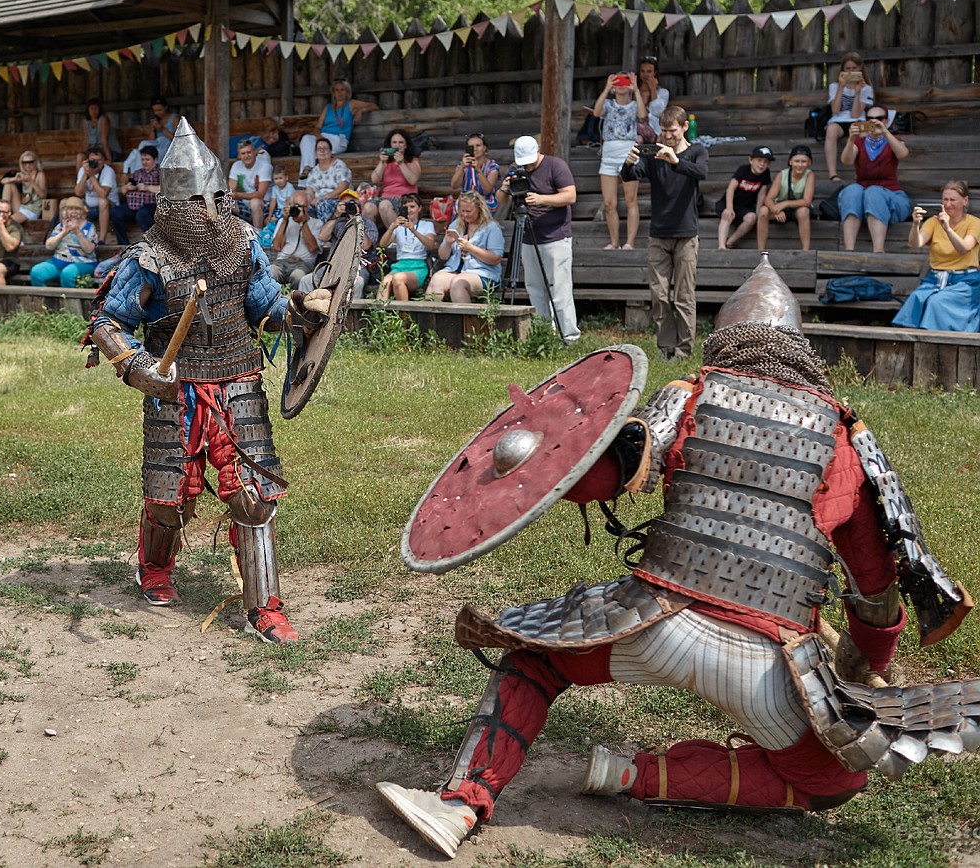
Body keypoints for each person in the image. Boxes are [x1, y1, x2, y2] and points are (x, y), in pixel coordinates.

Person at [377, 257, 977, 859]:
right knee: (834, 781)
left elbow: (607, 472)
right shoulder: (843, 436)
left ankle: (458, 806)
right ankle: (630, 775)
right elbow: (875, 588)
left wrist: (534, 451)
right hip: (770, 671)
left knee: (535, 663)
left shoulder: (690, 394)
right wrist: (865, 662)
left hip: (654, 623)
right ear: (800, 346)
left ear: (727, 336)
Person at [83, 117, 333, 644]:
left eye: (218, 196)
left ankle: (265, 606)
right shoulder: (149, 257)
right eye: (199, 200)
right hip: (177, 388)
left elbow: (263, 307)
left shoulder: (242, 242)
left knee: (253, 496)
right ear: (174, 205)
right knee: (169, 495)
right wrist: (136, 367)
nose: (213, 209)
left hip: (239, 379)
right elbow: (108, 321)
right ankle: (154, 568)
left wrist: (300, 309)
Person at [621, 105, 708, 360]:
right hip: (658, 233)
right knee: (658, 295)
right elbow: (629, 176)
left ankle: (684, 350)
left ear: (683, 128)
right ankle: (666, 348)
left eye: (672, 131)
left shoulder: (697, 151)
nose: (667, 136)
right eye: (664, 131)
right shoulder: (653, 155)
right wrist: (627, 164)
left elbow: (701, 172)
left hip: (686, 234)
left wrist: (676, 161)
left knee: (684, 297)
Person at [495, 135, 580, 344]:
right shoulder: (517, 169)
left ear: (538, 152)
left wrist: (541, 199)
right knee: (534, 287)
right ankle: (544, 333)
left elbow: (570, 196)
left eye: (530, 161)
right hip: (527, 237)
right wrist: (505, 187)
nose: (528, 166)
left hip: (555, 237)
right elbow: (501, 200)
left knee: (559, 289)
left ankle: (569, 337)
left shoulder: (555, 166)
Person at [892, 180, 980, 332]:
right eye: (945, 199)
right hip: (936, 280)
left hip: (965, 283)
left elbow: (964, 248)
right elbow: (916, 243)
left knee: (936, 302)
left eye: (953, 199)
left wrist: (948, 229)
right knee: (915, 299)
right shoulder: (934, 222)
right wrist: (915, 225)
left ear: (965, 201)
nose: (948, 204)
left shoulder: (975, 223)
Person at [839, 106, 910, 253]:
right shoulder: (859, 143)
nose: (874, 122)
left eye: (879, 119)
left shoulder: (894, 141)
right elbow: (846, 160)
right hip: (863, 199)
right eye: (869, 119)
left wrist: (885, 132)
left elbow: (903, 154)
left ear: (887, 120)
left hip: (892, 197)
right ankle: (849, 250)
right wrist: (851, 138)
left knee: (874, 192)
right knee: (852, 191)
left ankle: (878, 251)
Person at [593, 71, 646, 250]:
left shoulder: (633, 104)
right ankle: (614, 242)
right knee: (609, 203)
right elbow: (596, 112)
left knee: (631, 199)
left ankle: (629, 242)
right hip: (608, 154)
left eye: (625, 80)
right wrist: (607, 88)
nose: (622, 84)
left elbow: (642, 114)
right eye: (618, 81)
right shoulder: (608, 103)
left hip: (628, 153)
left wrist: (636, 89)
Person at [298, 189, 380, 299]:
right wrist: (335, 215)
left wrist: (356, 220)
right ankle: (305, 314)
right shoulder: (337, 222)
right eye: (344, 204)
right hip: (333, 266)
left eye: (351, 203)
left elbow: (365, 246)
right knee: (306, 280)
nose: (348, 206)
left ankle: (350, 315)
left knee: (358, 283)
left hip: (357, 267)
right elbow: (322, 236)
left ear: (359, 206)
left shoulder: (368, 223)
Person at [427, 190, 505, 303]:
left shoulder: (491, 228)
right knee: (436, 280)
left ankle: (466, 320)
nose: (465, 214)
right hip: (456, 270)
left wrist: (470, 248)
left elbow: (495, 258)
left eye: (469, 211)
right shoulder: (456, 224)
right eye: (462, 211)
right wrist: (448, 243)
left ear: (479, 209)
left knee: (458, 283)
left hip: (483, 273)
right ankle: (429, 319)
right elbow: (443, 256)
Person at [297, 77, 378, 172]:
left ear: (347, 92)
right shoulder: (328, 107)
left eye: (342, 90)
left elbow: (374, 106)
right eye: (337, 90)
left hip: (338, 139)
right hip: (323, 137)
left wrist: (361, 111)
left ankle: (309, 175)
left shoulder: (351, 104)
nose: (340, 93)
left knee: (314, 151)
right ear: (333, 93)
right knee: (306, 139)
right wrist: (318, 136)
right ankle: (307, 168)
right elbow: (318, 127)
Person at [823, 53, 874, 183]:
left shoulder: (867, 88)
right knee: (831, 130)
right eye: (847, 69)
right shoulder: (834, 86)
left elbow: (855, 114)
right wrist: (841, 87)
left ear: (860, 68)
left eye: (854, 68)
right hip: (838, 121)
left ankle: (861, 172)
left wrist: (857, 92)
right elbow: (835, 110)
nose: (851, 72)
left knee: (865, 132)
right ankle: (833, 174)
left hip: (858, 120)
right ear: (843, 70)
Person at [377, 194, 436, 301]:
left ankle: (403, 315)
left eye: (412, 207)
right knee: (385, 283)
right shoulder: (398, 227)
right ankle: (380, 314)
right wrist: (392, 228)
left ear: (419, 208)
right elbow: (382, 244)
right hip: (400, 265)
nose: (409, 210)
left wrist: (414, 231)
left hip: (417, 266)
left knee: (398, 279)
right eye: (406, 207)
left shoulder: (426, 225)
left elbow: (430, 245)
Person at [29, 197, 98, 287]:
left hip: (84, 262)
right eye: (70, 209)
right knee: (36, 272)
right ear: (66, 211)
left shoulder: (89, 227)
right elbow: (49, 246)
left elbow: (89, 250)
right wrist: (63, 233)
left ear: (82, 211)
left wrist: (78, 232)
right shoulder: (61, 226)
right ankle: (44, 300)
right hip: (59, 261)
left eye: (77, 209)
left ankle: (69, 301)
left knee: (67, 273)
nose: (73, 212)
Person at [758, 144, 816, 251]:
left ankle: (806, 250)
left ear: (809, 163)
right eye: (796, 161)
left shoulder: (809, 175)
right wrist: (775, 210)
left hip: (796, 209)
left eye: (803, 162)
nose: (800, 165)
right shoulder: (782, 174)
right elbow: (768, 198)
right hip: (780, 210)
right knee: (763, 211)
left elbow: (807, 201)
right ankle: (760, 250)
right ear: (790, 162)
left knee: (804, 211)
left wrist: (786, 203)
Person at [716, 145, 774, 251]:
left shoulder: (765, 174)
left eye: (766, 162)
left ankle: (730, 242)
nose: (762, 164)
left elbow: (761, 195)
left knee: (751, 218)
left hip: (744, 207)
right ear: (751, 160)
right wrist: (729, 207)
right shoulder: (743, 170)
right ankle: (721, 245)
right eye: (759, 160)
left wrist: (758, 215)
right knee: (727, 215)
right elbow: (730, 189)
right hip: (728, 203)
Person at [365, 129, 422, 229]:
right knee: (368, 208)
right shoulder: (386, 162)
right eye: (394, 142)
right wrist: (382, 163)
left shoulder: (412, 160)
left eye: (401, 142)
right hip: (385, 197)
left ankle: (396, 240)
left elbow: (412, 180)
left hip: (404, 199)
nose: (397, 145)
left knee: (384, 205)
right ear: (390, 145)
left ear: (406, 145)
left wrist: (401, 163)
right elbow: (374, 180)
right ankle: (370, 240)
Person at [269, 190, 323, 287]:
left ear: (308, 207)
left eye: (303, 206)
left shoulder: (317, 223)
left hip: (303, 263)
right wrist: (285, 221)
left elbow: (313, 248)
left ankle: (296, 300)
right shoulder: (284, 221)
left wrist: (303, 223)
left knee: (298, 276)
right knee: (270, 272)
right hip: (282, 261)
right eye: (297, 205)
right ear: (291, 205)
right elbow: (277, 247)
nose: (299, 209)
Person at [75, 147, 125, 245]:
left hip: (109, 206)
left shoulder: (108, 171)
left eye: (99, 160)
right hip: (88, 206)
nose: (96, 163)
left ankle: (102, 240)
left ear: (103, 161)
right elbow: (78, 192)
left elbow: (103, 194)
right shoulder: (83, 170)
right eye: (93, 160)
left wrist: (92, 175)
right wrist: (86, 175)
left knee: (102, 202)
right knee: (68, 202)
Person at [113, 145, 160, 237]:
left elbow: (166, 189)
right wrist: (127, 187)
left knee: (142, 214)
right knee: (116, 212)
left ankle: (154, 241)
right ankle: (124, 244)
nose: (144, 162)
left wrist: (147, 188)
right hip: (133, 206)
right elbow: (122, 190)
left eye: (147, 159)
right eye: (142, 159)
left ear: (155, 159)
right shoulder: (137, 173)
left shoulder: (161, 172)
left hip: (151, 206)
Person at [302, 137, 352, 222]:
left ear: (331, 151)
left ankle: (326, 233)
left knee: (323, 205)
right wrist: (311, 200)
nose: (322, 151)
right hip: (317, 203)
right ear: (315, 153)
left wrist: (323, 198)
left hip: (337, 201)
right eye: (319, 149)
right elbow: (309, 191)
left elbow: (343, 187)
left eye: (325, 148)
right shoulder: (313, 171)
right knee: (301, 208)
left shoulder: (339, 165)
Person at [449, 132, 500, 212]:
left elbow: (487, 190)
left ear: (485, 148)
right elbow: (454, 185)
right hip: (465, 200)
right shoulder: (462, 165)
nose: (475, 149)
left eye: (478, 146)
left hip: (485, 202)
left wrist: (478, 170)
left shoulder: (492, 166)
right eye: (471, 146)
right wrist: (462, 168)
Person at [228, 139, 272, 228]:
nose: (246, 156)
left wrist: (238, 195)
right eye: (243, 153)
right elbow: (230, 190)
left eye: (249, 152)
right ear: (239, 155)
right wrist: (231, 195)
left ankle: (258, 236)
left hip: (264, 205)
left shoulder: (265, 166)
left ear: (255, 152)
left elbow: (260, 195)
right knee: (225, 201)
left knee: (255, 202)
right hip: (245, 205)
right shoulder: (236, 165)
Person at [76, 97, 122, 169]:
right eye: (91, 109)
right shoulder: (85, 122)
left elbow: (104, 140)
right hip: (94, 151)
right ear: (88, 110)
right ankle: (80, 180)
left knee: (96, 159)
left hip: (109, 151)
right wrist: (84, 154)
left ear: (99, 110)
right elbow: (86, 140)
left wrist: (109, 159)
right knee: (80, 157)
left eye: (96, 109)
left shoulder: (103, 119)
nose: (93, 111)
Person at [637, 55, 669, 139]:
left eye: (649, 71)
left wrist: (653, 89)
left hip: (654, 131)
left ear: (655, 73)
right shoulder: (633, 91)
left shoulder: (663, 93)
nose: (645, 74)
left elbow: (657, 112)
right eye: (642, 71)